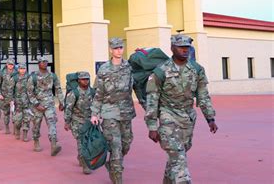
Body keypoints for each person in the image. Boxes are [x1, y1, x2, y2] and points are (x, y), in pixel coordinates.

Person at [145, 34, 218, 184]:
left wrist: (210, 118)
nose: (185, 50)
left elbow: (203, 95)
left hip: (188, 117)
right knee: (178, 157)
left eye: (187, 47)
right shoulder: (161, 71)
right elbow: (152, 99)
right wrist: (152, 126)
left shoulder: (197, 69)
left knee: (178, 154)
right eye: (181, 47)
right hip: (168, 116)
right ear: (172, 48)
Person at [90, 37, 136, 184]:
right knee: (116, 147)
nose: (118, 51)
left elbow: (137, 86)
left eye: (121, 48)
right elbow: (98, 93)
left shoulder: (129, 67)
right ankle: (117, 178)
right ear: (110, 50)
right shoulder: (104, 70)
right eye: (115, 48)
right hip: (109, 112)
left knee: (126, 143)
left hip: (126, 111)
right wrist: (95, 113)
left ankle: (112, 164)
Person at [27, 56, 64, 156]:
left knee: (52, 123)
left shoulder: (52, 76)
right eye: (41, 62)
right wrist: (36, 104)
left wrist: (61, 102)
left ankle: (53, 144)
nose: (44, 63)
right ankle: (36, 141)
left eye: (45, 61)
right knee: (36, 125)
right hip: (37, 106)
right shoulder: (33, 76)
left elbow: (58, 89)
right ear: (38, 64)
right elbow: (29, 92)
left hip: (49, 104)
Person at [64, 71, 94, 175]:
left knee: (89, 142)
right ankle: (85, 164)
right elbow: (68, 109)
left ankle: (81, 157)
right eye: (83, 79)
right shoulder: (74, 93)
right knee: (81, 142)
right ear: (78, 81)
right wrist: (67, 122)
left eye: (87, 79)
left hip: (90, 122)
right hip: (77, 121)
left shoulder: (93, 92)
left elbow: (98, 105)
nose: (85, 81)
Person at [12, 63, 31, 142]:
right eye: (21, 69)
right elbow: (10, 89)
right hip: (18, 102)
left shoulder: (29, 77)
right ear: (18, 69)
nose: (22, 70)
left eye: (24, 69)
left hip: (27, 102)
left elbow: (32, 89)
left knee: (27, 119)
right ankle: (17, 129)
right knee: (17, 120)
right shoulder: (15, 78)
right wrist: (11, 100)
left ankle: (25, 134)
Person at [0, 58, 17, 134]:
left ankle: (15, 128)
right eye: (9, 64)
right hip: (5, 96)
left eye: (12, 65)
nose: (10, 66)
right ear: (6, 64)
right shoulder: (2, 73)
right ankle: (7, 127)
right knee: (6, 113)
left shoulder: (17, 73)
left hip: (14, 96)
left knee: (15, 113)